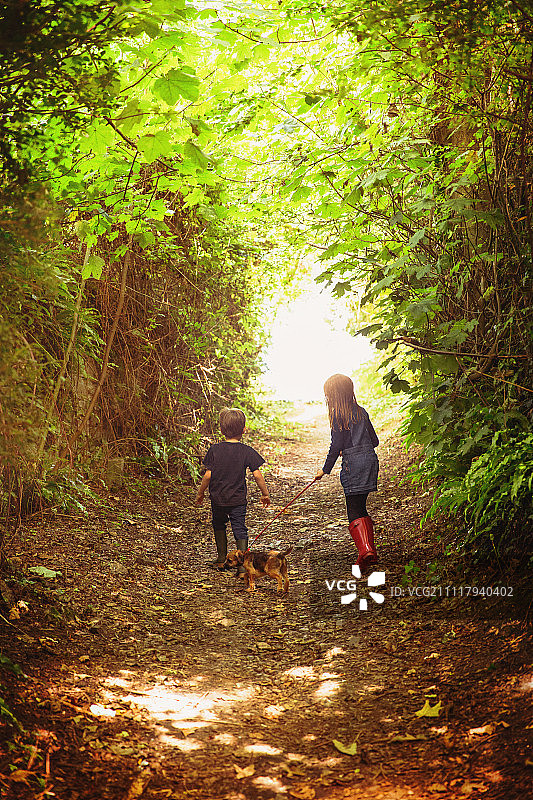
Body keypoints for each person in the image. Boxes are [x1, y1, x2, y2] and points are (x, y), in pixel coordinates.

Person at [315, 374, 379, 569]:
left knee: (353, 509)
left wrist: (324, 470)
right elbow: (374, 441)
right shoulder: (361, 412)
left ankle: (366, 550)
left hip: (354, 466)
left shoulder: (338, 417)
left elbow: (336, 447)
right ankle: (369, 549)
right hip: (369, 462)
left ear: (333, 396)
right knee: (361, 506)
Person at [195, 407, 270, 570]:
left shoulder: (214, 450)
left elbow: (208, 476)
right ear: (244, 429)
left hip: (218, 499)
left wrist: (200, 493)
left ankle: (222, 557)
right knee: (239, 527)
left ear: (221, 430)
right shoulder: (246, 451)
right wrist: (265, 494)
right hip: (237, 500)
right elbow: (257, 475)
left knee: (219, 524)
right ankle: (244, 564)